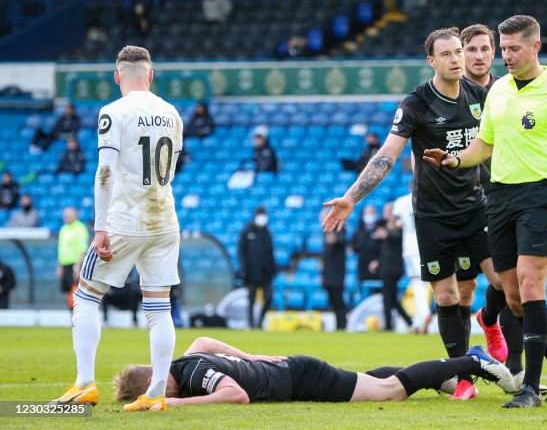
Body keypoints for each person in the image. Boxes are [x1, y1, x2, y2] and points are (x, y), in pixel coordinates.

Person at [422, 15, 547, 408]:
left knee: (532, 284)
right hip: (499, 199)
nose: (507, 56)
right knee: (515, 297)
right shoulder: (499, 91)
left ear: (536, 47)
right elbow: (484, 145)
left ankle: (530, 389)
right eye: (503, 49)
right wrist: (453, 161)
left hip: (539, 196)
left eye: (514, 48)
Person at [323, 26, 509, 401]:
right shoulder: (416, 104)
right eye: (448, 54)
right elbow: (387, 155)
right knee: (445, 297)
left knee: (504, 283)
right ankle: (463, 380)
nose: (457, 59)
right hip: (433, 214)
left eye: (459, 52)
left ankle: (489, 320)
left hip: (477, 206)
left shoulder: (481, 95)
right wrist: (351, 198)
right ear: (432, 61)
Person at [52, 45, 184, 412]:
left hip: (126, 219)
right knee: (159, 307)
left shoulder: (112, 112)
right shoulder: (172, 113)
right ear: (151, 75)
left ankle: (84, 384)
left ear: (117, 77)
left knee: (86, 295)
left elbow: (105, 170)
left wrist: (100, 226)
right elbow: (171, 167)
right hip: (164, 220)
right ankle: (156, 392)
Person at [112, 335, 515, 406]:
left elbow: (236, 395)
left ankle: (471, 361)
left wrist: (172, 408)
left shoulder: (194, 377)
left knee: (390, 391)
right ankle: (445, 379)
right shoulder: (184, 362)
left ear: (157, 383)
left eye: (155, 394)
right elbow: (203, 344)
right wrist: (252, 358)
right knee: (372, 382)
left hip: (301, 378)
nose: (160, 399)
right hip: (295, 375)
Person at [459, 24, 525, 379]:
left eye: (486, 49)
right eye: (472, 50)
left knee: (509, 280)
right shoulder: (451, 93)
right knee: (483, 284)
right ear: (461, 53)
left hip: (506, 194)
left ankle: (504, 346)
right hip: (466, 200)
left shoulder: (507, 90)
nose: (480, 56)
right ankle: (473, 356)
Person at [392, 188, 431, 334]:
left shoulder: (401, 202)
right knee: (424, 283)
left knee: (416, 283)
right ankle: (418, 322)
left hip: (409, 248)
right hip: (425, 246)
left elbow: (395, 223)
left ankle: (424, 314)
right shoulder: (428, 200)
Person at [238, 207, 276, 330]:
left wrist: (273, 269)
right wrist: (243, 268)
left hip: (266, 274)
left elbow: (271, 253)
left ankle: (260, 321)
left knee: (269, 298)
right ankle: (251, 324)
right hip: (251, 273)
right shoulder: (247, 231)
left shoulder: (267, 232)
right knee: (251, 299)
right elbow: (241, 252)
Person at [379, 202, 413, 332]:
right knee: (392, 298)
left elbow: (398, 237)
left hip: (393, 268)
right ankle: (408, 320)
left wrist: (387, 235)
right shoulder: (385, 226)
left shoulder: (399, 225)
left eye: (388, 210)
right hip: (386, 267)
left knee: (387, 297)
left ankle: (387, 324)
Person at [320, 210, 348, 331]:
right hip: (328, 273)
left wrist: (335, 239)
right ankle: (338, 325)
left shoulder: (339, 228)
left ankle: (342, 325)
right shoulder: (325, 233)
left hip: (337, 273)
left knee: (338, 299)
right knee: (332, 300)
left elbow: (342, 239)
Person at [55, 206, 90, 300]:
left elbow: (83, 249)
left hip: (76, 265)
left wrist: (78, 266)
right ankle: (72, 312)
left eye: (69, 215)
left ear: (75, 215)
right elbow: (61, 249)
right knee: (68, 291)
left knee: (77, 292)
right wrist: (59, 266)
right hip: (65, 265)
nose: (66, 217)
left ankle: (78, 313)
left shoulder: (80, 228)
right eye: (65, 215)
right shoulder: (63, 229)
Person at [350, 206, 384, 282]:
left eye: (371, 213)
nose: (369, 215)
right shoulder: (359, 230)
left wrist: (378, 261)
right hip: (363, 268)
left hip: (378, 268)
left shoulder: (381, 229)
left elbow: (385, 248)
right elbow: (354, 247)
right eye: (367, 213)